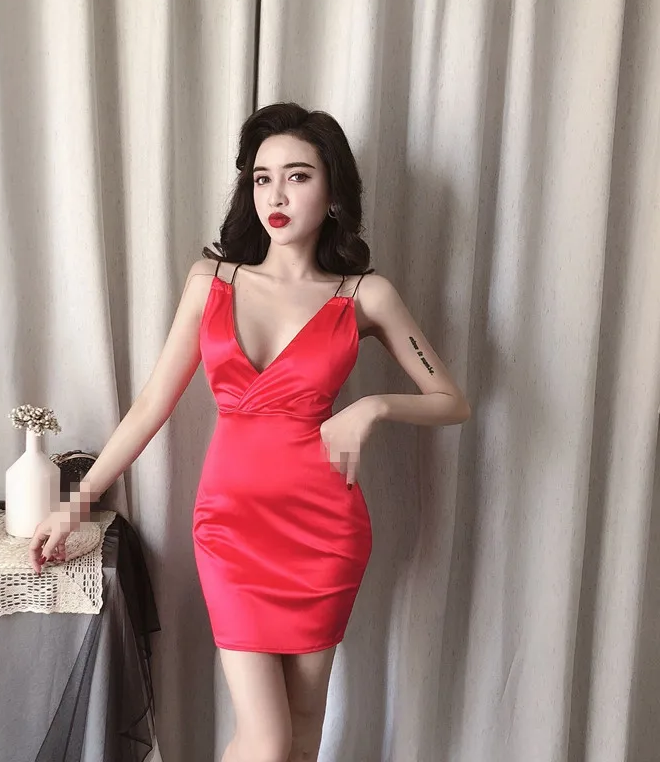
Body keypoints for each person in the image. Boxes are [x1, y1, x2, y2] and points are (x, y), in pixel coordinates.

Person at [29, 102, 471, 762]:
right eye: (263, 178)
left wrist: (373, 407)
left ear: (334, 191)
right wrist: (78, 501)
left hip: (326, 531)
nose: (276, 195)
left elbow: (452, 401)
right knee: (266, 742)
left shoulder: (364, 295)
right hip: (231, 529)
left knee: (302, 735)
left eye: (298, 176)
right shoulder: (211, 281)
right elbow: (151, 404)